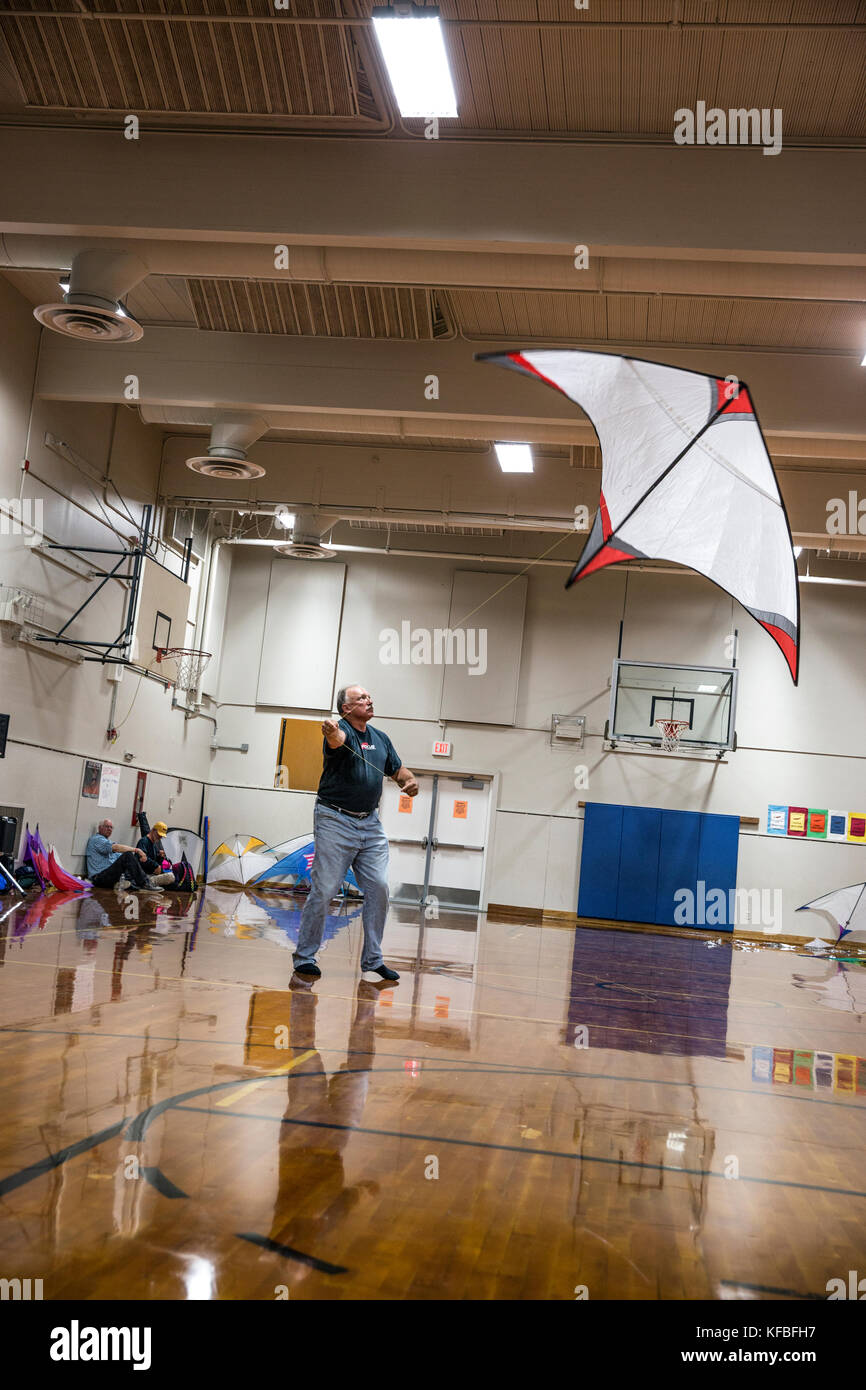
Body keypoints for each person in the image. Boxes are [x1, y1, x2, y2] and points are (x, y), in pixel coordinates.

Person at [293, 684, 418, 982]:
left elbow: (397, 770)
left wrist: (409, 781)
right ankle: (305, 957)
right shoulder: (342, 731)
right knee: (324, 890)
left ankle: (373, 960)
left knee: (379, 886)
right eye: (361, 698)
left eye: (369, 696)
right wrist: (329, 731)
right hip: (334, 819)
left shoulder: (381, 739)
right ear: (346, 709)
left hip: (370, 824)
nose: (369, 700)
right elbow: (336, 740)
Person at [85, 819, 172, 892]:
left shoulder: (107, 843)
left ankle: (139, 882)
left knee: (129, 860)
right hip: (98, 878)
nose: (109, 829)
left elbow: (120, 857)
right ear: (100, 828)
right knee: (128, 855)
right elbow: (116, 848)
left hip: (110, 876)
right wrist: (136, 850)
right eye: (107, 826)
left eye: (111, 827)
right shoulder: (96, 839)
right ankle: (145, 884)